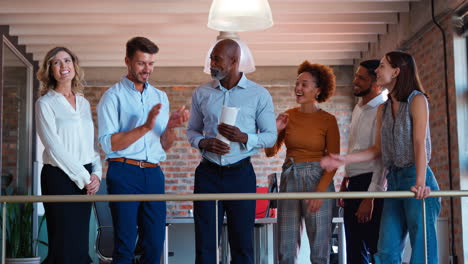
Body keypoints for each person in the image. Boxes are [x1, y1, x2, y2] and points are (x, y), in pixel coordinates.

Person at [321, 51, 441, 264]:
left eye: (382, 66)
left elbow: (419, 143)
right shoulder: (383, 108)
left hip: (416, 177)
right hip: (394, 182)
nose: (377, 70)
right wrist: (344, 160)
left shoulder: (417, 99)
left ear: (396, 72)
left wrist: (421, 183)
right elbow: (378, 150)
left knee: (422, 249)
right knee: (386, 250)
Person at [97, 36, 189, 264]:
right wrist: (146, 126)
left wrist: (170, 126)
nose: (147, 69)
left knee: (155, 243)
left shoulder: (160, 97)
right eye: (141, 63)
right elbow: (109, 144)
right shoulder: (112, 97)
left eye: (151, 64)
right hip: (123, 172)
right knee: (125, 243)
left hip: (153, 174)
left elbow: (165, 144)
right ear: (127, 61)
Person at [187, 38, 277, 264]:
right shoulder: (201, 93)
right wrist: (204, 143)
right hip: (207, 175)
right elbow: (192, 132)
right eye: (211, 59)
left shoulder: (259, 94)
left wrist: (244, 137)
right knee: (205, 246)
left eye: (216, 59)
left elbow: (270, 136)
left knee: (242, 245)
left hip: (241, 175)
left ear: (234, 61)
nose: (211, 64)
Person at [264, 60, 339, 264]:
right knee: (285, 250)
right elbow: (270, 152)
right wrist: (276, 129)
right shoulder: (288, 116)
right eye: (297, 84)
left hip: (319, 180)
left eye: (304, 84)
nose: (298, 88)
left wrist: (320, 192)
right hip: (290, 178)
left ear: (317, 90)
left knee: (319, 251)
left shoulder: (328, 120)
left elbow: (333, 161)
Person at [36, 47, 102, 263]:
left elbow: (90, 143)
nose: (63, 66)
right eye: (56, 62)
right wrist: (85, 178)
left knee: (79, 241)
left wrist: (97, 174)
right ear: (50, 70)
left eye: (67, 60)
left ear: (74, 65)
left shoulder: (83, 102)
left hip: (85, 179)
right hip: (59, 178)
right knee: (63, 242)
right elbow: (54, 148)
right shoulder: (45, 103)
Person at [340, 60, 387, 264]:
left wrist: (371, 197)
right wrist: (345, 179)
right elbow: (354, 148)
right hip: (354, 183)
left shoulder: (382, 110)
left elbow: (382, 158)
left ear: (376, 83)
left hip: (372, 185)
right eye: (356, 76)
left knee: (374, 248)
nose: (355, 81)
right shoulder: (358, 108)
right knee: (354, 249)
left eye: (361, 78)